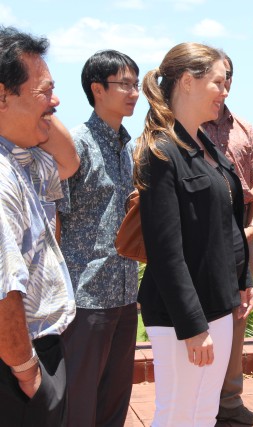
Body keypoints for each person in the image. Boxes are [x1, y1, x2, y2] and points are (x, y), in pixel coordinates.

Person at [134, 42, 251, 426]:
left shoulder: (205, 146)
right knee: (177, 414)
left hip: (217, 303)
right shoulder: (162, 151)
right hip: (184, 315)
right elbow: (165, 251)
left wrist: (243, 281)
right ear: (187, 82)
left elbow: (226, 224)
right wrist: (193, 327)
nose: (225, 91)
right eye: (218, 82)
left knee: (203, 412)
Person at [57, 50, 140, 427]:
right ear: (97, 89)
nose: (134, 92)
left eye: (136, 84)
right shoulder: (76, 145)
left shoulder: (128, 148)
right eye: (125, 84)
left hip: (124, 293)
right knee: (80, 400)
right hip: (85, 295)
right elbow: (55, 221)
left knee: (115, 399)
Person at [0, 26, 77, 426]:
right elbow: (2, 291)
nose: (56, 101)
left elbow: (70, 160)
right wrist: (28, 372)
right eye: (44, 90)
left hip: (31, 349)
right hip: (17, 364)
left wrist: (41, 109)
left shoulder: (26, 158)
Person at [202, 54, 253, 426]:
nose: (223, 85)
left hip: (241, 232)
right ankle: (201, 405)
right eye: (216, 77)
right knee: (202, 319)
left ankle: (230, 403)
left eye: (227, 77)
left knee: (237, 319)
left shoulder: (244, 128)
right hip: (202, 236)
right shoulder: (187, 125)